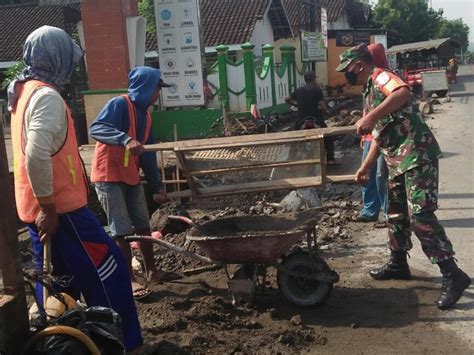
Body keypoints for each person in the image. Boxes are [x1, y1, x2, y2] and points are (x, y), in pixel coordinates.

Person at [8, 26, 142, 351]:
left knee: (57, 283)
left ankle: (64, 343)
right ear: (57, 57)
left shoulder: (22, 92)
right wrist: (50, 209)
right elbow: (36, 153)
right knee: (109, 270)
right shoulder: (47, 98)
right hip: (63, 214)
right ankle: (122, 344)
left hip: (38, 211)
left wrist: (43, 209)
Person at [336, 44, 470, 310]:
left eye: (346, 70)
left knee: (420, 216)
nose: (345, 75)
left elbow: (403, 92)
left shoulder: (381, 77)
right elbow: (379, 134)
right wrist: (365, 166)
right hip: (396, 160)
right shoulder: (368, 91)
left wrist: (371, 115)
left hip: (416, 155)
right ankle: (398, 263)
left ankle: (452, 274)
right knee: (396, 214)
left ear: (358, 66)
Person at [90, 66, 181, 300]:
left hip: (130, 175)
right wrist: (124, 138)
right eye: (156, 89)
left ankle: (152, 271)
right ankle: (128, 278)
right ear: (146, 87)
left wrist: (157, 184)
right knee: (121, 228)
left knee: (142, 223)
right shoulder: (119, 104)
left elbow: (148, 154)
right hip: (109, 175)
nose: (158, 94)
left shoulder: (147, 116)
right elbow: (97, 128)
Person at [353, 43, 389, 226]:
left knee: (382, 175)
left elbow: (401, 95)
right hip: (370, 136)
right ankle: (370, 210)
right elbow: (367, 111)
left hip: (385, 137)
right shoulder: (369, 82)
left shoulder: (384, 80)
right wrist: (363, 136)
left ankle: (389, 213)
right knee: (367, 174)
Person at [285, 71, 336, 164]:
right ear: (313, 79)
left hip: (302, 119)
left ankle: (291, 159)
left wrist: (295, 105)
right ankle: (330, 159)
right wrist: (327, 112)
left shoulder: (298, 90)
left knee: (294, 138)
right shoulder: (317, 90)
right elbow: (322, 104)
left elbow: (287, 99)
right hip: (316, 118)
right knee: (329, 136)